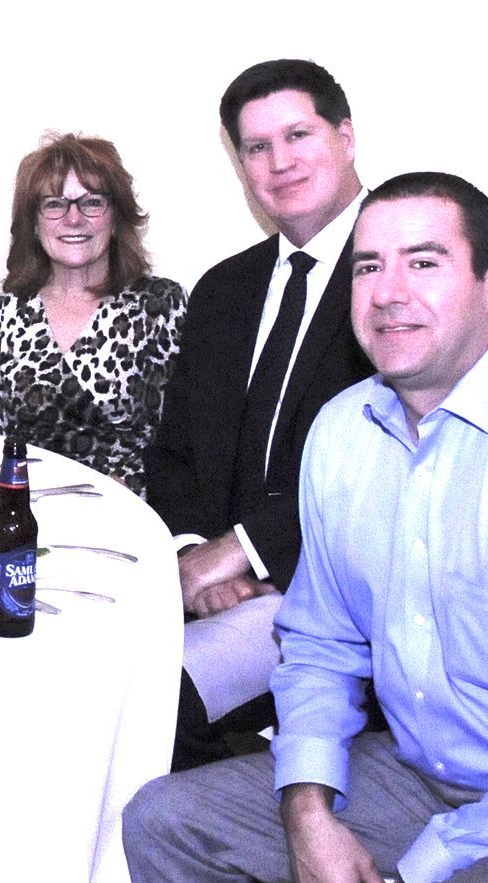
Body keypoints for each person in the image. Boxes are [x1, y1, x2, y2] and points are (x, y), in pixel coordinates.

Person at [124, 171, 488, 883]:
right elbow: (320, 642)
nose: (387, 292)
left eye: (424, 262)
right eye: (368, 266)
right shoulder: (344, 432)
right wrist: (307, 805)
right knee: (166, 822)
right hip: (426, 774)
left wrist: (430, 861)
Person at [142, 59, 375, 769]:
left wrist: (242, 551)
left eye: (298, 135)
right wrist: (195, 556)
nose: (279, 162)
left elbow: (384, 461)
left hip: (343, 601)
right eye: (256, 147)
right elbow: (175, 453)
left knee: (146, 707)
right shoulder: (224, 289)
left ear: (345, 137)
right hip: (220, 592)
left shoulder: (396, 280)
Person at [0, 133, 185, 496]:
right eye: (54, 204)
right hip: (26, 510)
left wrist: (122, 492)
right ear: (34, 223)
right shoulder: (0, 315)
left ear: (116, 217)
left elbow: (181, 440)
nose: (74, 218)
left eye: (92, 202)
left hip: (129, 512)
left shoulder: (160, 306)